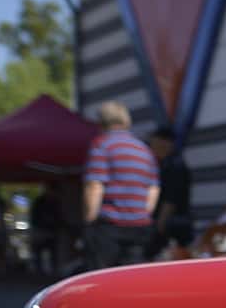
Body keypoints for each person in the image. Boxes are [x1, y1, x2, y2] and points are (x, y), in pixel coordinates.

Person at [82, 101, 160, 269]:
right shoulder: (143, 149)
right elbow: (153, 188)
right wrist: (142, 213)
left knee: (102, 278)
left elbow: (95, 186)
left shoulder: (102, 145)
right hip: (140, 226)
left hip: (110, 226)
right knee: (134, 277)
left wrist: (89, 220)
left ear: (101, 123)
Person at [147, 123, 194, 253]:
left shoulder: (173, 167)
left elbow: (170, 201)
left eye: (155, 145)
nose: (153, 149)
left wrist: (158, 229)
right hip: (174, 224)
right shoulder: (169, 164)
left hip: (173, 227)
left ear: (166, 144)